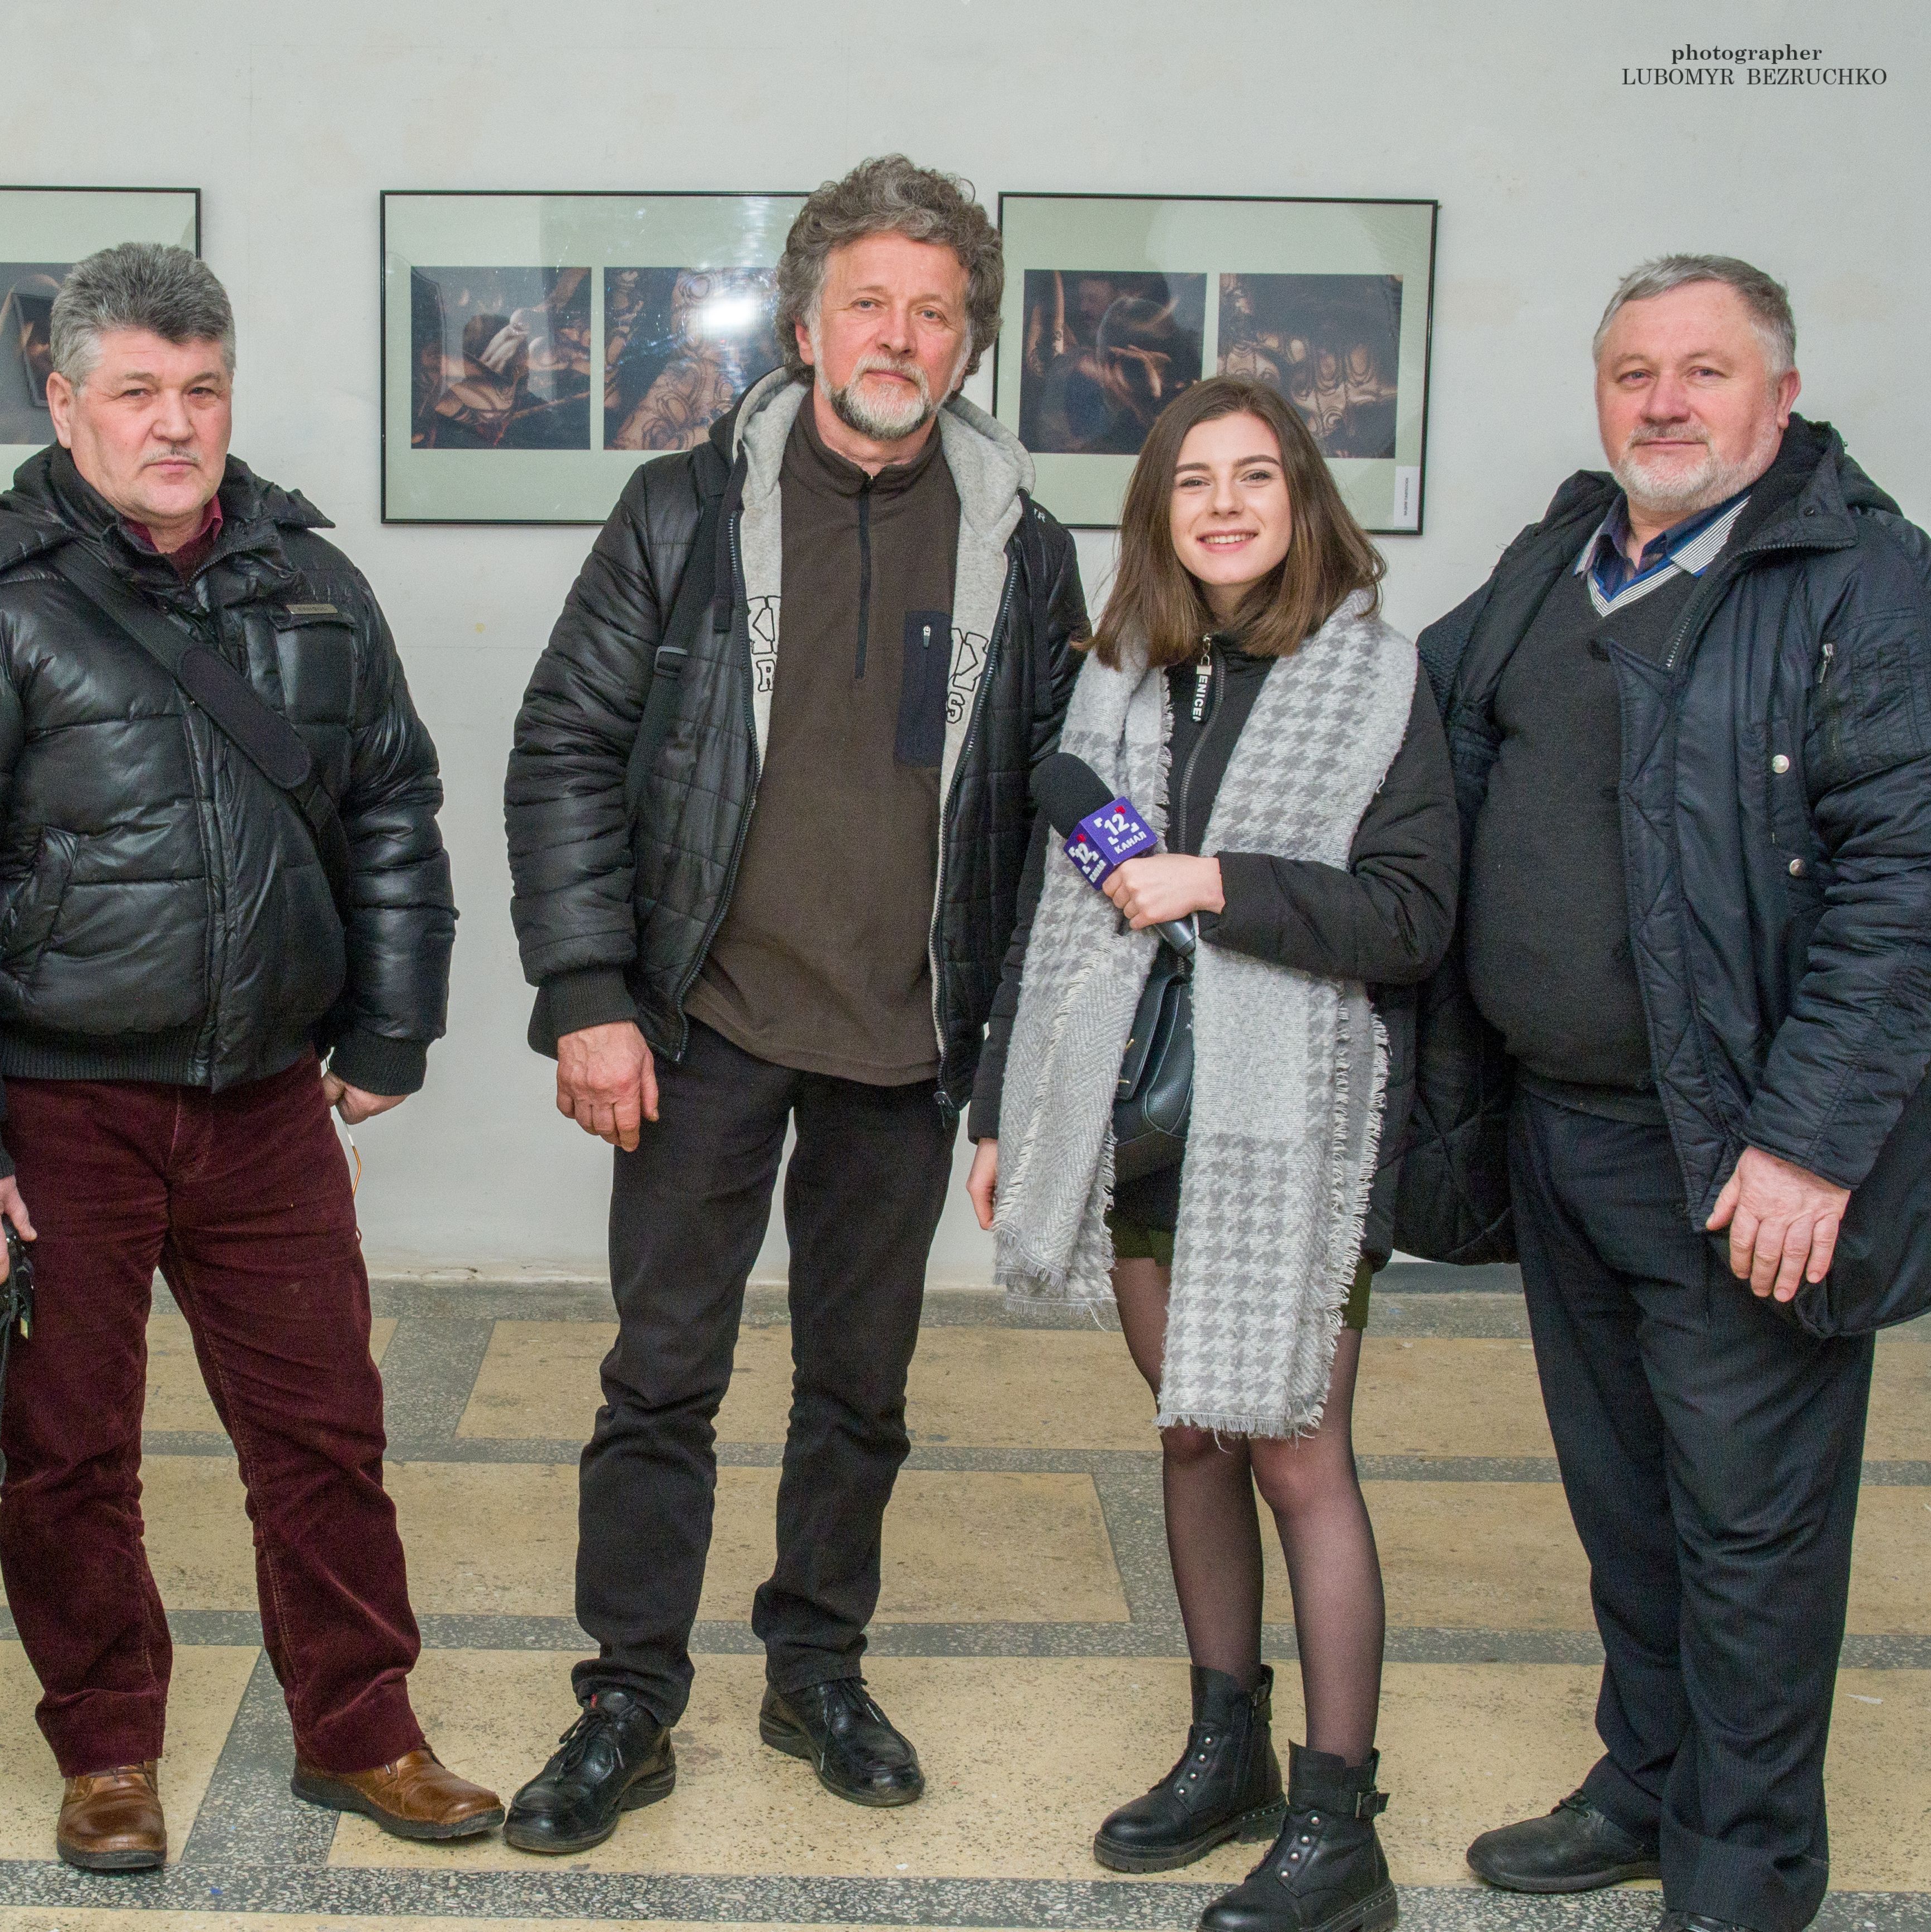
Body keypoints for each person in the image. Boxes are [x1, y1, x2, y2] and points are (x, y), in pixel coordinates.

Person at [0, 242, 499, 1873]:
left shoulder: (310, 586)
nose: (175, 423)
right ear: (64, 402)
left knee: (324, 1431)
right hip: (58, 1106)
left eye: (201, 389)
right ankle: (107, 1748)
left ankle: (363, 1728)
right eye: (136, 390)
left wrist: (392, 1020)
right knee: (72, 1454)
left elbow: (392, 807)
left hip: (266, 1098)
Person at [500, 154, 1089, 1852]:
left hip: (904, 1045)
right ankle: (628, 1699)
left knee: (860, 1390)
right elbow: (565, 744)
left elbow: (1060, 800)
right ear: (808, 323)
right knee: (660, 1378)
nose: (897, 335)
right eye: (867, 303)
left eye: (933, 312)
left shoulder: (1027, 550)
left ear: (968, 343)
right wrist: (589, 990)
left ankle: (816, 1668)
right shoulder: (681, 512)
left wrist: (1025, 1068)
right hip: (704, 1027)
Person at [1395, 258, 1931, 1932]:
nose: (1666, 402)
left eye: (1707, 369)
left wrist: (1807, 1147)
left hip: (1741, 1154)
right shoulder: (1559, 559)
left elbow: (1907, 884)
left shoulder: (1863, 583)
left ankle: (1745, 1866)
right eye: (1635, 372)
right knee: (1626, 1501)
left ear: (1784, 393)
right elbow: (1397, 702)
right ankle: (1648, 1782)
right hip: (1562, 1127)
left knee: (1750, 1531)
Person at [974, 374, 1455, 1932]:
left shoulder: (1379, 680)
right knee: (1191, 1435)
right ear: (1159, 513)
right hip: (1141, 1112)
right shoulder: (1121, 680)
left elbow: (1410, 918)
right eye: (1194, 481)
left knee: (1297, 1454)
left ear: (1303, 498)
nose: (1226, 504)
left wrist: (1214, 881)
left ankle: (1339, 1822)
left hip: (1298, 1126)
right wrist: (1005, 1109)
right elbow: (1048, 911)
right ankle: (1224, 1750)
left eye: (1256, 475)